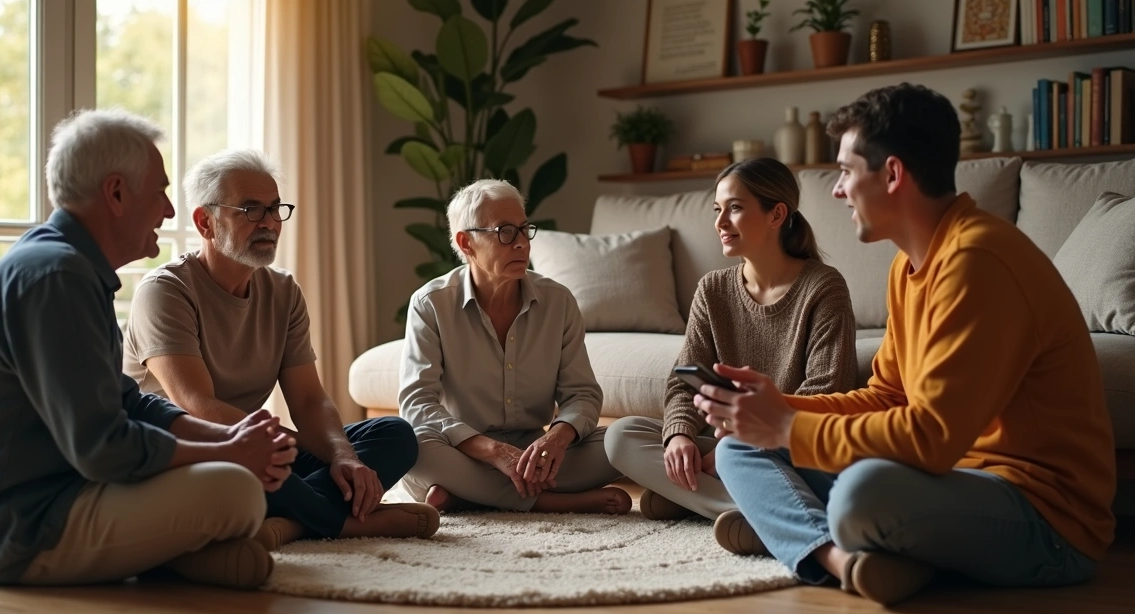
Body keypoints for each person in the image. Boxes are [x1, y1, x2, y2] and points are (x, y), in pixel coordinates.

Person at [702, 84, 1116, 606]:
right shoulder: (909, 264)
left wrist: (786, 426)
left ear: (893, 174)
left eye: (846, 171)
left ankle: (795, 532)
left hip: (1044, 516)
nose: (837, 191)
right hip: (945, 484)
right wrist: (774, 410)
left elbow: (931, 438)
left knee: (861, 496)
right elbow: (887, 397)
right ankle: (841, 557)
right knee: (739, 446)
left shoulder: (977, 261)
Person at [0, 110, 296, 590]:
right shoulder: (58, 277)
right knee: (236, 490)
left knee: (232, 477)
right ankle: (176, 556)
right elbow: (103, 448)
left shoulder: (69, 267)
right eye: (160, 192)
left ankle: (180, 559)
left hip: (64, 494)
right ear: (115, 193)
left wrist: (227, 439)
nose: (168, 211)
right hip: (17, 531)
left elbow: (130, 402)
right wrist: (229, 453)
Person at [123, 149, 438, 548]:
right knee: (246, 470)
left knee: (395, 434)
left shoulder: (283, 291)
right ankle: (341, 523)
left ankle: (290, 522)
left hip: (256, 447)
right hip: (189, 452)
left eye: (275, 208)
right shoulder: (164, 291)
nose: (269, 222)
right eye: (251, 210)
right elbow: (198, 407)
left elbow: (308, 400)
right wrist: (282, 446)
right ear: (205, 222)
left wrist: (342, 455)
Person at [605, 158, 856, 540]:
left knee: (730, 456)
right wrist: (679, 437)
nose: (720, 222)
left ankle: (702, 500)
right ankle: (755, 511)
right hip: (722, 448)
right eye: (717, 209)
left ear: (777, 215)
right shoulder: (713, 289)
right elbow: (683, 382)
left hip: (787, 446)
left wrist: (741, 441)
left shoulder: (823, 287)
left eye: (734, 208)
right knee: (621, 435)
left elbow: (826, 392)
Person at [399, 179, 630, 514]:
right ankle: (555, 502)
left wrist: (556, 439)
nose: (522, 243)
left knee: (623, 438)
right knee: (413, 446)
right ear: (466, 242)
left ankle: (468, 496)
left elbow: (582, 394)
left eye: (524, 230)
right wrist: (493, 452)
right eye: (505, 232)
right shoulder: (430, 304)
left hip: (538, 456)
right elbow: (418, 404)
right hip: (464, 452)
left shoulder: (558, 301)